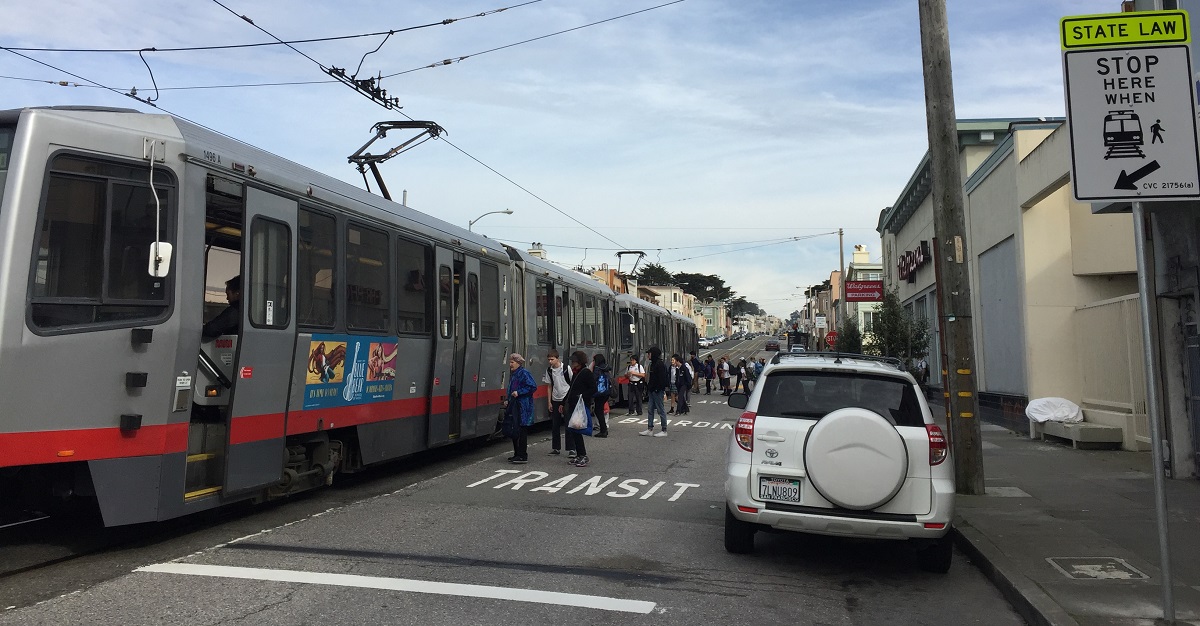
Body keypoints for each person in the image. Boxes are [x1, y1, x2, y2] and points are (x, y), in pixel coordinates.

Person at [503, 353, 537, 463]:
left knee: (521, 430)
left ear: (518, 363)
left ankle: (522, 455)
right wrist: (507, 399)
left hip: (523, 406)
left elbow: (532, 386)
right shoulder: (514, 374)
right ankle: (517, 453)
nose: (510, 364)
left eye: (512, 362)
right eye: (510, 362)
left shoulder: (524, 373)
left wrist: (519, 392)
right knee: (515, 429)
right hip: (515, 403)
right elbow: (511, 388)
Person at [564, 351, 595, 468]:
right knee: (573, 430)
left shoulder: (586, 373)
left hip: (580, 406)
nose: (572, 363)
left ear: (579, 362)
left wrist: (582, 396)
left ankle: (583, 455)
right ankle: (579, 454)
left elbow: (593, 388)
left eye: (574, 361)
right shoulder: (576, 373)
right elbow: (571, 389)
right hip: (573, 405)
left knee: (577, 430)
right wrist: (564, 402)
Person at [542, 350, 574, 457]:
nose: (550, 362)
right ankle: (556, 448)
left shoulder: (566, 368)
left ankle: (571, 449)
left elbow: (572, 382)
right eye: (549, 360)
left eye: (552, 359)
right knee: (555, 425)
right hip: (555, 399)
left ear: (557, 358)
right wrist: (549, 402)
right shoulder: (549, 371)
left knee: (568, 424)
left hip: (566, 399)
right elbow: (549, 386)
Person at [640, 346, 669, 437]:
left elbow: (662, 379)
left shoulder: (659, 365)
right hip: (652, 390)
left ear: (654, 354)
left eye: (649, 353)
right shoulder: (653, 364)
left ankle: (664, 430)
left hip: (657, 391)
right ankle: (650, 428)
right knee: (650, 409)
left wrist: (658, 389)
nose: (648, 355)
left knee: (661, 410)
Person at [202, 275, 241, 340]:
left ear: (237, 293)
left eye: (228, 294)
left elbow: (212, 329)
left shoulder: (235, 311)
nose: (227, 298)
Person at [591, 353, 611, 437]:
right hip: (606, 392)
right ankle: (604, 429)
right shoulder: (606, 368)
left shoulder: (597, 368)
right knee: (599, 410)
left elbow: (593, 379)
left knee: (598, 411)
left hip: (599, 393)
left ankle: (603, 430)